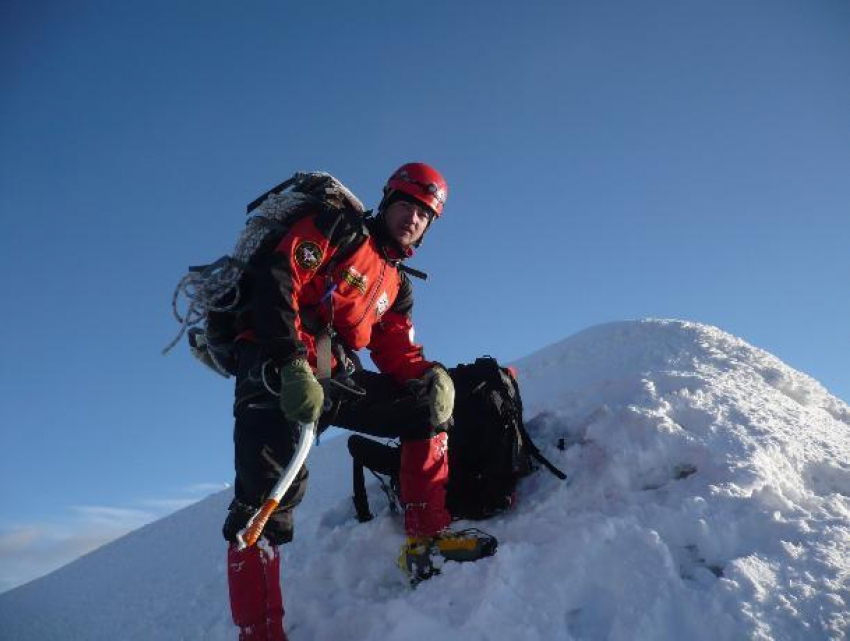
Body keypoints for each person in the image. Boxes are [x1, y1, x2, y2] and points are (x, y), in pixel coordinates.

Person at [222, 163, 495, 640]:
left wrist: (431, 377)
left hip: (332, 380)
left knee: (425, 406)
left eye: (425, 214)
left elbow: (395, 351)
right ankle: (259, 634)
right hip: (273, 372)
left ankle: (426, 539)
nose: (413, 218)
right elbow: (278, 279)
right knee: (264, 505)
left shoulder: (396, 285)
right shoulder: (338, 228)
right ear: (388, 201)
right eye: (407, 205)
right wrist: (289, 363)